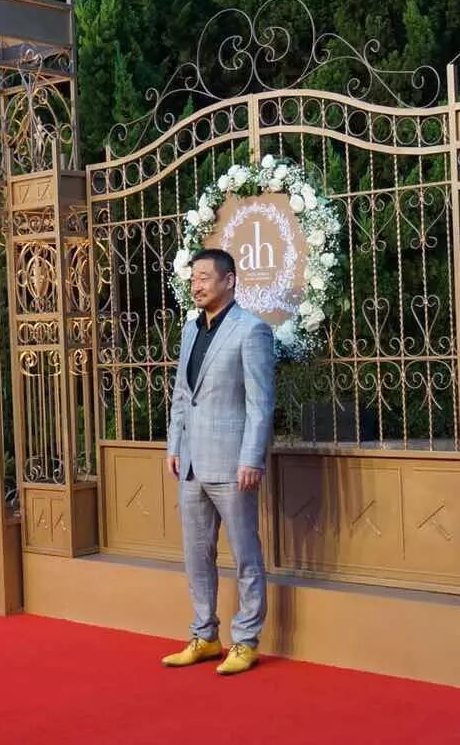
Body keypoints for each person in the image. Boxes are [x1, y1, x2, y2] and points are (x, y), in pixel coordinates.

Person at [161, 247, 276, 676]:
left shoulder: (252, 330)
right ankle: (204, 635)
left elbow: (260, 403)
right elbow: (181, 394)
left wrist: (252, 457)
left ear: (229, 281)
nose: (197, 285)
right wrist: (174, 445)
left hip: (232, 464)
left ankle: (245, 641)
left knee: (245, 554)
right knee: (197, 555)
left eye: (205, 277)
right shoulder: (191, 330)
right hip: (190, 463)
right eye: (194, 278)